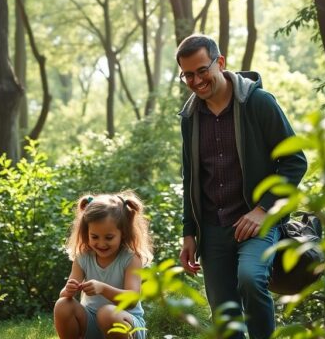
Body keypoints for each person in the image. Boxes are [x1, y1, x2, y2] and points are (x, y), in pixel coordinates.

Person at [176, 34, 307, 339]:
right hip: (211, 228)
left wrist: (263, 210)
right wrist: (189, 232)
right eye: (188, 75)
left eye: (202, 70)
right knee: (225, 315)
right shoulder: (189, 118)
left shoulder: (258, 103)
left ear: (219, 62)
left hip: (257, 220)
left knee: (250, 278)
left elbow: (294, 161)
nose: (196, 81)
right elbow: (190, 177)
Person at [54, 192, 153, 339]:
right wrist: (68, 290)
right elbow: (64, 294)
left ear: (123, 233)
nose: (101, 244)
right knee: (63, 305)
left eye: (109, 237)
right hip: (92, 323)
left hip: (125, 323)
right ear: (86, 233)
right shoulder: (83, 256)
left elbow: (132, 300)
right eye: (94, 237)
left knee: (107, 313)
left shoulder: (131, 258)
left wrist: (103, 289)